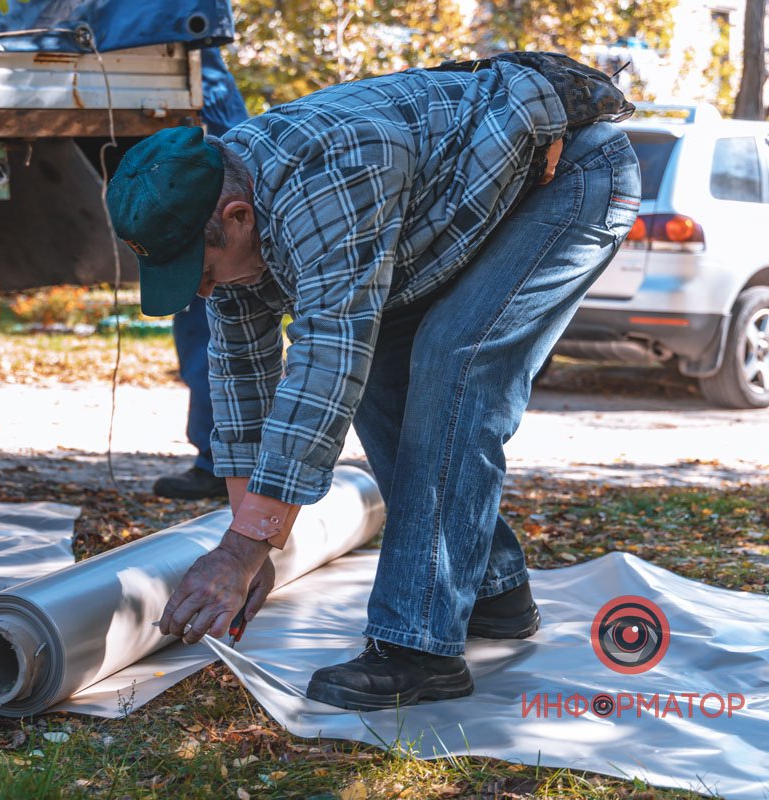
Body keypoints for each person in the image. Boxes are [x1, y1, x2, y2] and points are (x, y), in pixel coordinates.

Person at [106, 53, 639, 710]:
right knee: (385, 380)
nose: (205, 288)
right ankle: (494, 592)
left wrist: (245, 548)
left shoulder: (326, 178)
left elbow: (327, 358)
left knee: (454, 365)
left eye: (204, 268)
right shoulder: (219, 205)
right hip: (459, 212)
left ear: (238, 216)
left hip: (571, 177)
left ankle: (418, 647)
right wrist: (250, 542)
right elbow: (242, 383)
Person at [152, 47, 249, 501]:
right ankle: (223, 461)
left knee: (224, 322)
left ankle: (225, 464)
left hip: (204, 127)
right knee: (206, 317)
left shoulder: (200, 91)